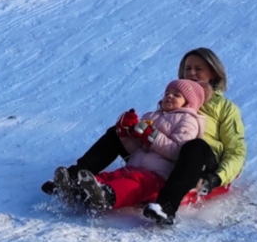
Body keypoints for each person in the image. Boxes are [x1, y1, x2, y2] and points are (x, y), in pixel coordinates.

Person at [42, 47, 247, 225]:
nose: (191, 73)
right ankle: (72, 178)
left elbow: (236, 151)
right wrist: (130, 131)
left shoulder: (225, 108)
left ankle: (166, 205)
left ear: (213, 73)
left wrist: (217, 178)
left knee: (196, 146)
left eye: (198, 69)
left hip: (196, 163)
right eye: (187, 68)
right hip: (161, 156)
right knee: (116, 133)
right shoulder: (173, 100)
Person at [52, 78, 208, 211]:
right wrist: (125, 134)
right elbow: (137, 149)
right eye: (167, 93)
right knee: (111, 176)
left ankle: (106, 196)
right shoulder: (151, 116)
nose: (169, 96)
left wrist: (151, 135)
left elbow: (177, 152)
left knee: (132, 184)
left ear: (188, 103)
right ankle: (76, 190)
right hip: (134, 165)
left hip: (157, 175)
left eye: (176, 95)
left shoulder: (188, 121)